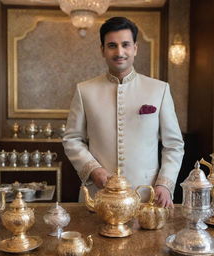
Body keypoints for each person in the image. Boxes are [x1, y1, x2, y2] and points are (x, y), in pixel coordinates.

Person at [63, 17, 184, 208]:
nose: (119, 52)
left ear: (135, 48)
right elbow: (72, 139)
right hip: (98, 196)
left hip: (146, 196)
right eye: (112, 45)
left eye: (125, 45)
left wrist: (165, 184)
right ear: (102, 50)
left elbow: (174, 145)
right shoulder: (84, 90)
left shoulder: (158, 89)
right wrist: (93, 170)